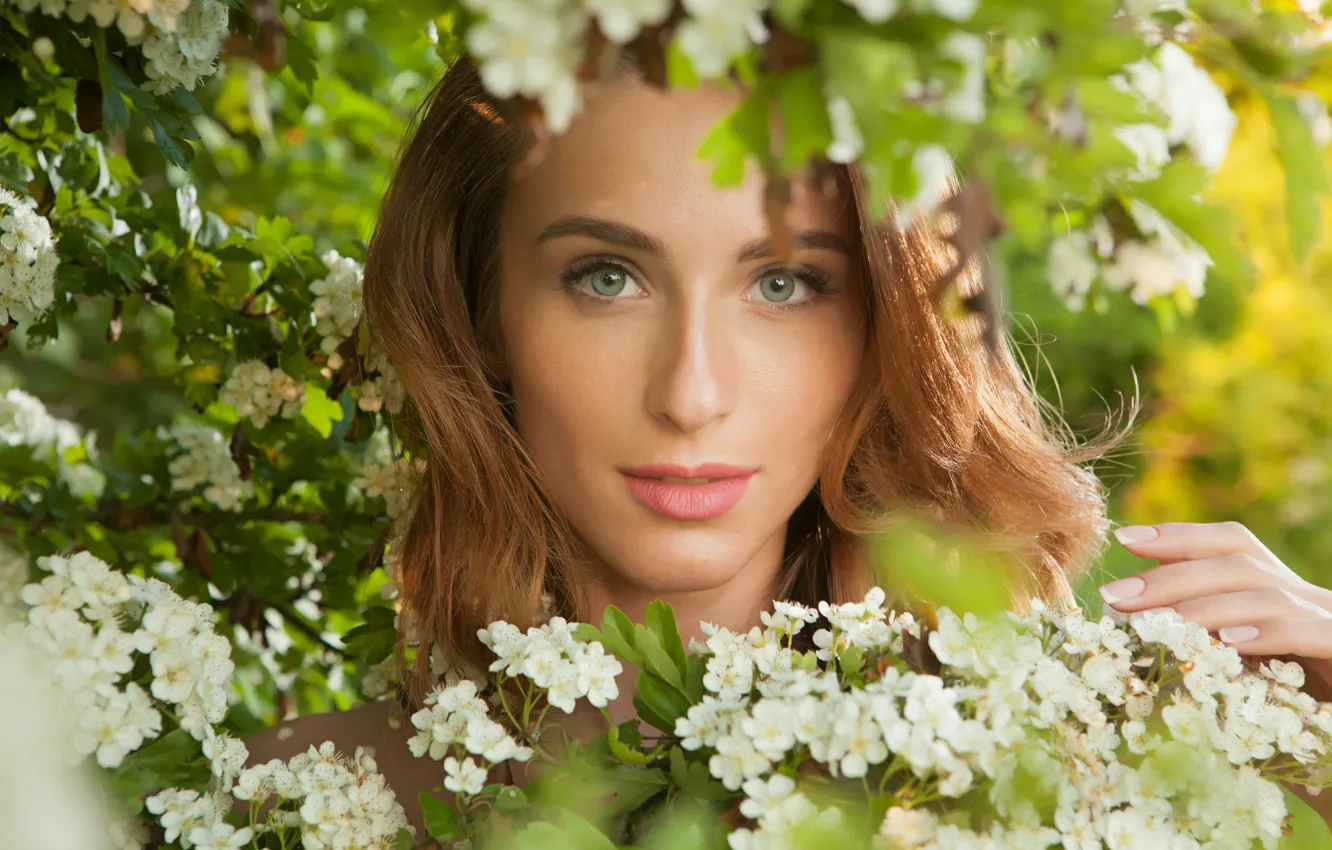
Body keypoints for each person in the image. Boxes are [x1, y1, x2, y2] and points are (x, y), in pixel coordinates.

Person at [242, 56, 1332, 840]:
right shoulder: (288, 805)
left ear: (887, 331)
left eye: (784, 283)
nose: (691, 393)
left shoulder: (1101, 786)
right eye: (606, 277)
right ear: (481, 315)